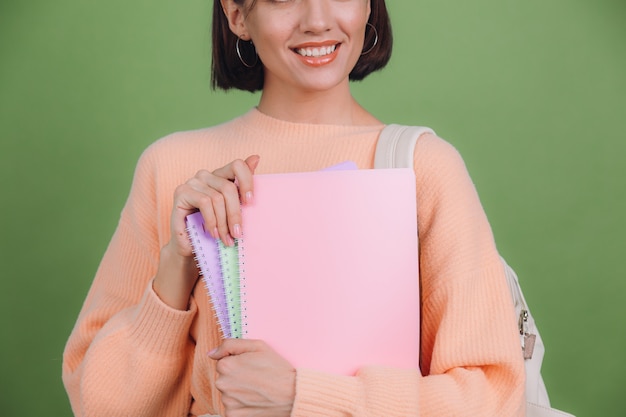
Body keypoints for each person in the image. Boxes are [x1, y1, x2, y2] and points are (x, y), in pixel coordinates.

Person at [62, 0, 525, 416]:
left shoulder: (423, 169)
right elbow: (99, 406)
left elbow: (491, 398)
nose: (317, 20)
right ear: (238, 14)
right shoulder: (171, 169)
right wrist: (177, 267)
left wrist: (304, 396)